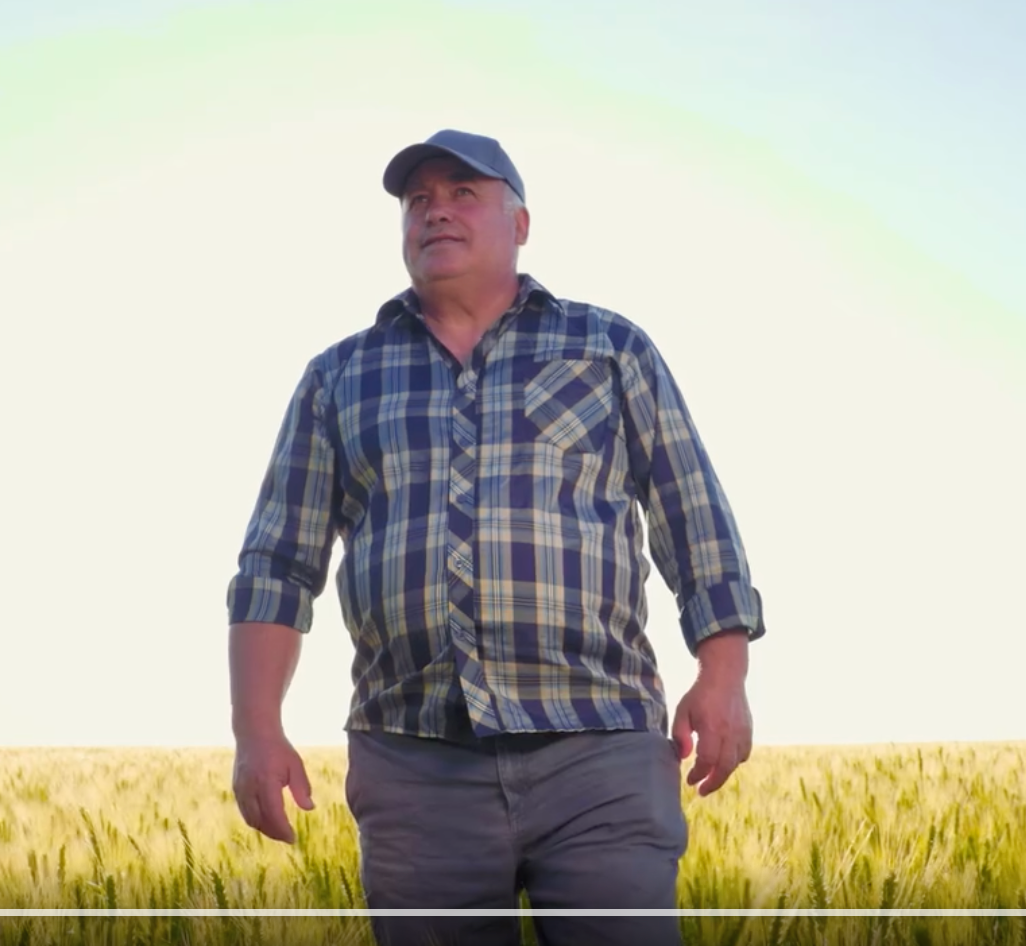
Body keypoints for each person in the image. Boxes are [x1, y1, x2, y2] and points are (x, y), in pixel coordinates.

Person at [225, 129, 766, 946]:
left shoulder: (610, 348)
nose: (435, 212)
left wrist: (722, 677)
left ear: (520, 223)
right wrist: (255, 731)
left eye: (463, 193)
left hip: (600, 750)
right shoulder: (339, 376)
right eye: (417, 202)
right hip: (413, 761)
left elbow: (694, 520)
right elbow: (276, 565)